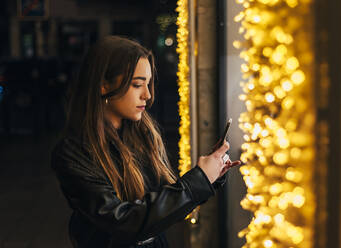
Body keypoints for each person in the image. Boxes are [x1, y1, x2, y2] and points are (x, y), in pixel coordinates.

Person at [50, 36, 240, 248]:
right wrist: (199, 179)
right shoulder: (73, 152)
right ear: (104, 85)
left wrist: (210, 176)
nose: (147, 95)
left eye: (148, 84)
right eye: (137, 84)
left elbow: (164, 207)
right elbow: (123, 222)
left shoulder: (143, 134)